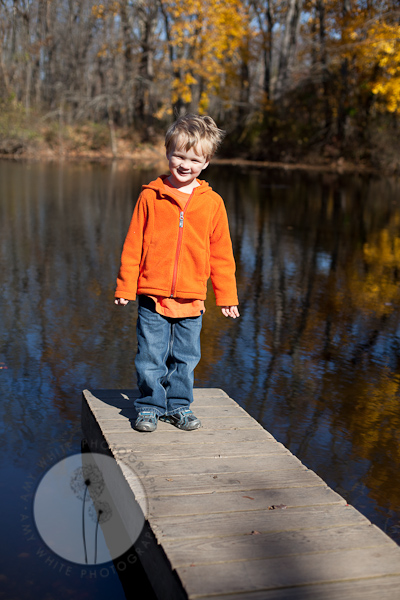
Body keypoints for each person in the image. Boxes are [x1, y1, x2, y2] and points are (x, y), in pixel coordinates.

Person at [114, 114, 239, 432]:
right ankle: (150, 406)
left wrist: (226, 295)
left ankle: (178, 406)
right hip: (152, 294)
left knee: (186, 357)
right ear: (167, 153)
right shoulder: (150, 196)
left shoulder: (212, 204)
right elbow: (133, 245)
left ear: (206, 162)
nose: (185, 164)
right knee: (150, 356)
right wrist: (126, 287)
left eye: (194, 159)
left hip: (192, 295)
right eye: (179, 156)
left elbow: (221, 254)